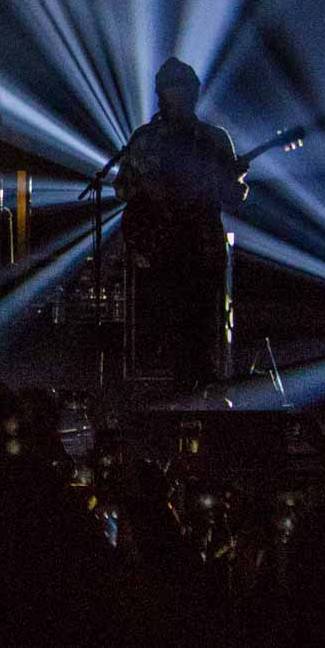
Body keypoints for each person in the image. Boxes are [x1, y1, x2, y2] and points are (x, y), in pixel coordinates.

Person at [115, 57, 248, 397]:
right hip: (161, 247)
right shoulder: (146, 139)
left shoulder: (213, 139)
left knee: (201, 320)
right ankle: (179, 383)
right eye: (174, 90)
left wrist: (234, 180)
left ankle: (198, 382)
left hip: (200, 246)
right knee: (169, 319)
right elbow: (123, 189)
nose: (180, 97)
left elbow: (231, 196)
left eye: (184, 90)